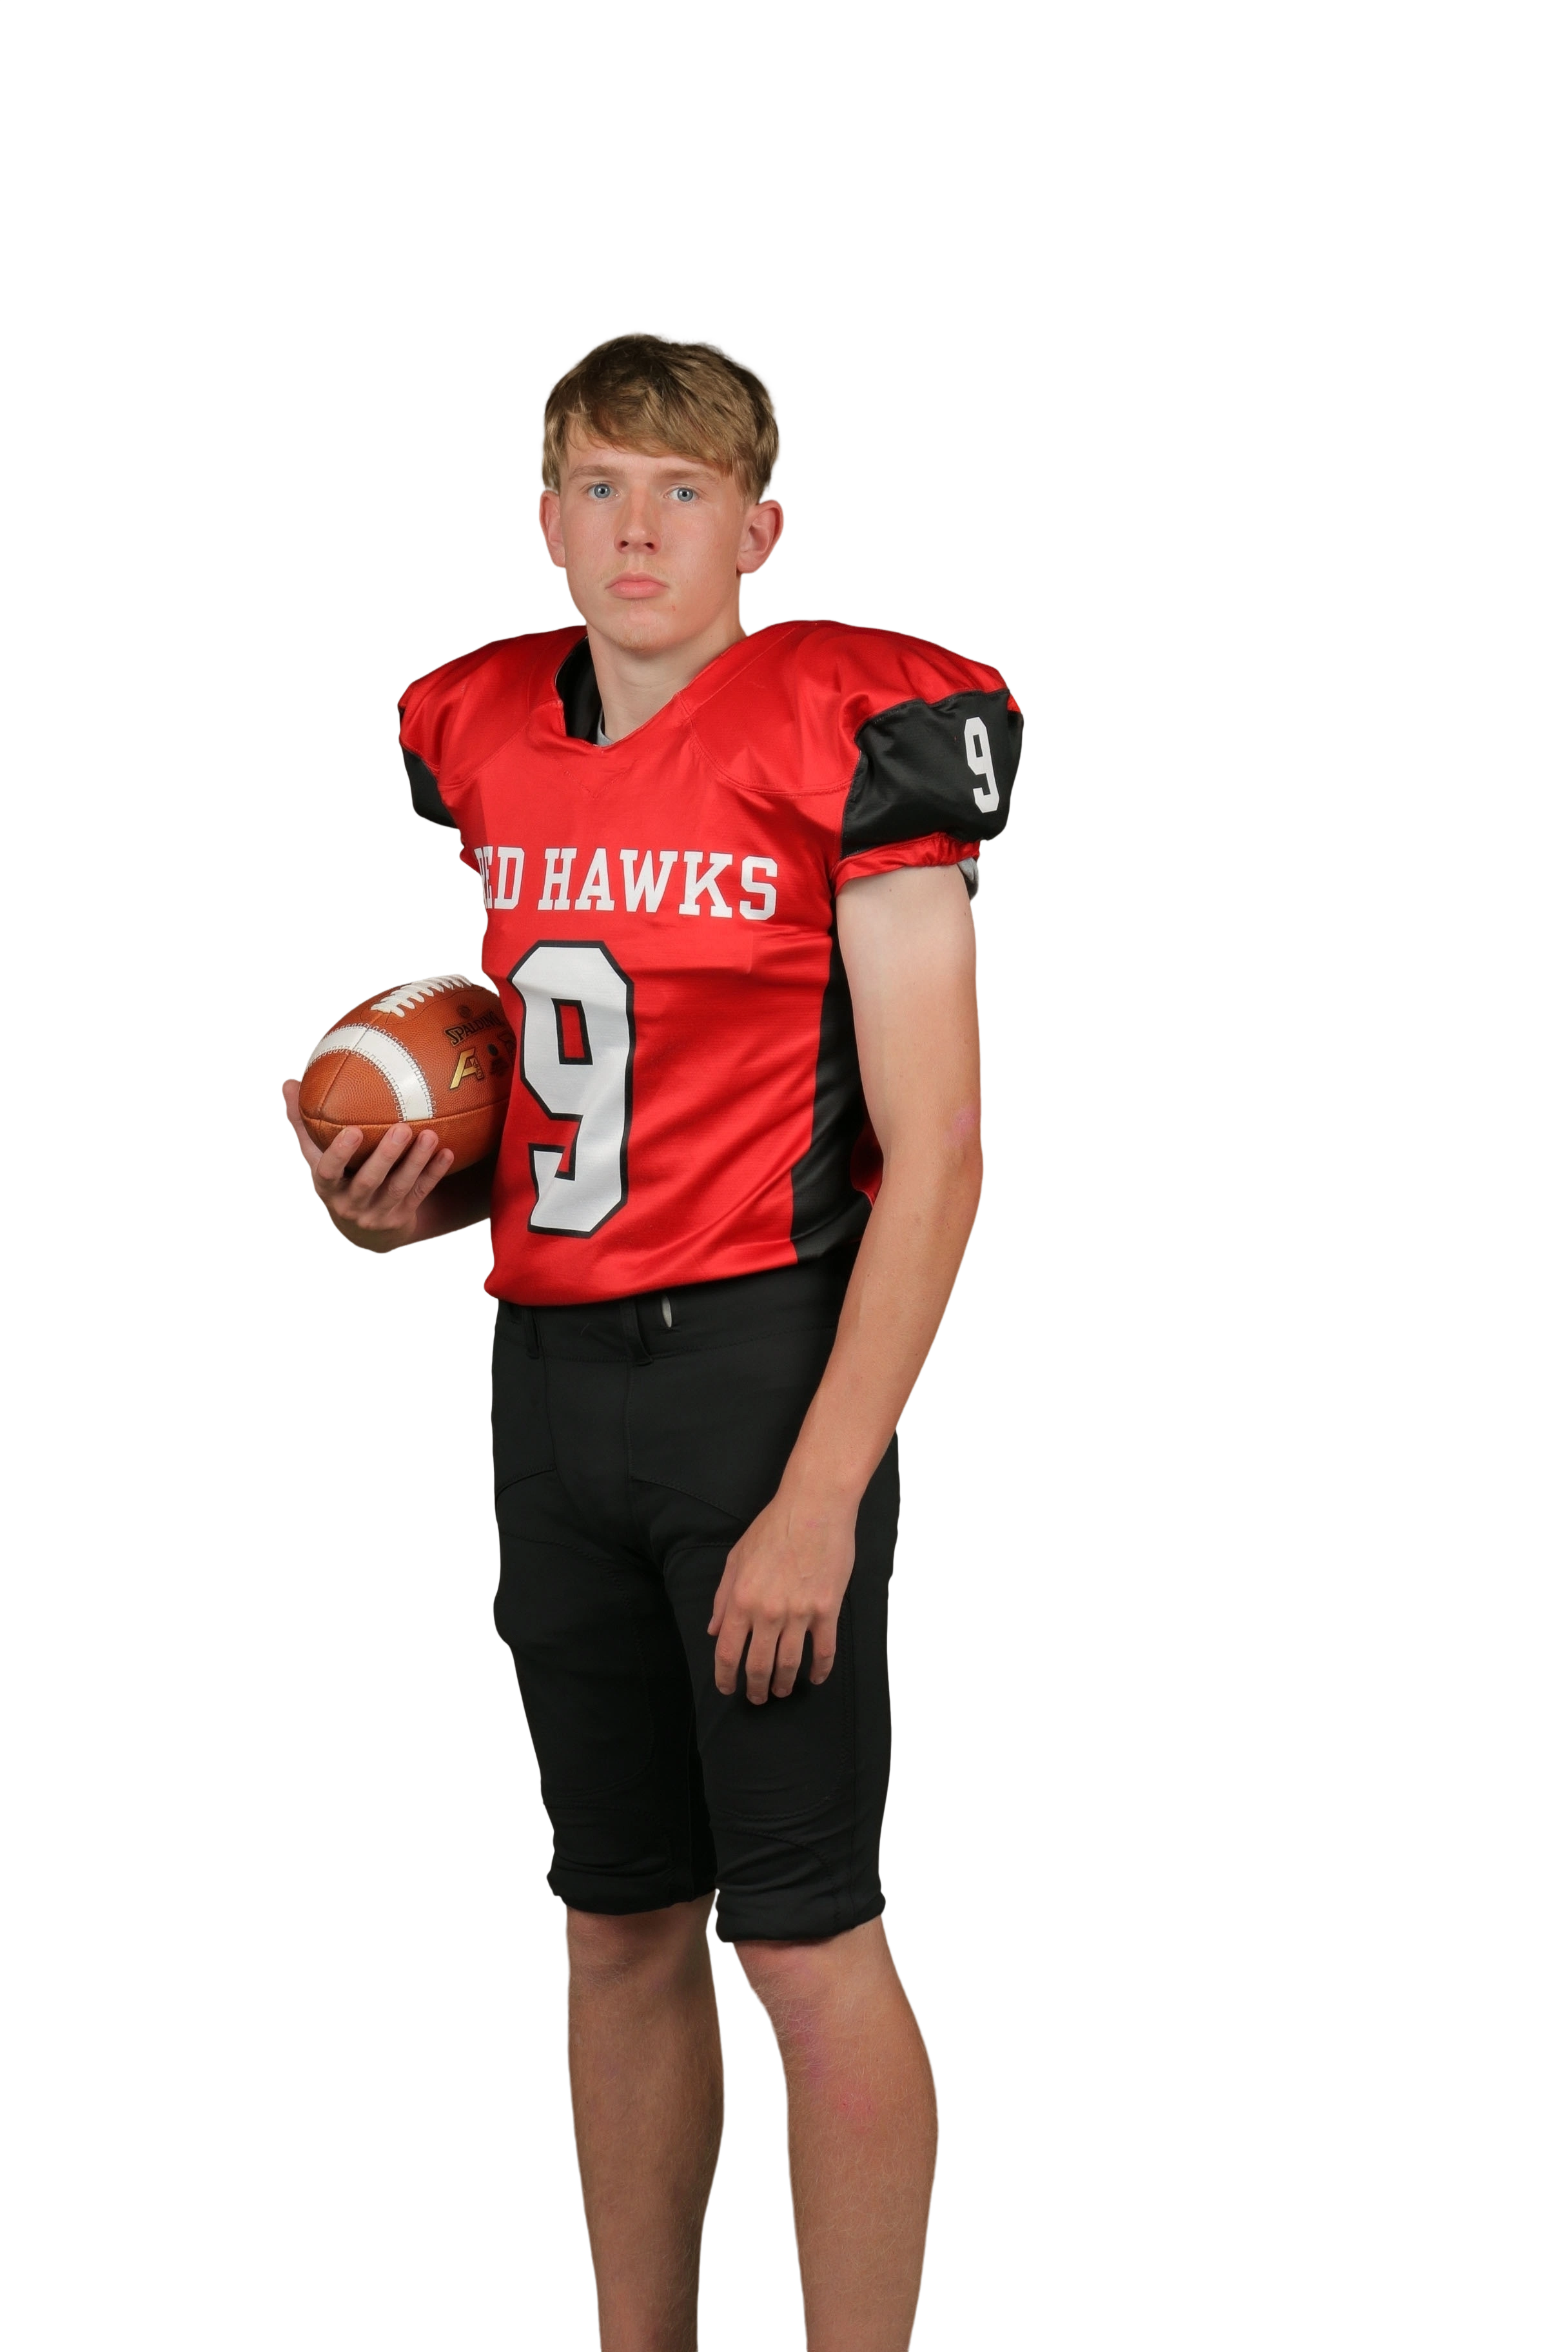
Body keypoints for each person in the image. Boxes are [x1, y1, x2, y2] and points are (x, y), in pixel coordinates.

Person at [279, 327, 1021, 2352]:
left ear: (759, 531)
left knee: (808, 1934)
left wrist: (820, 1498)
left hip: (760, 1381)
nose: (637, 527)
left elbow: (941, 1159)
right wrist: (403, 1200)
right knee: (616, 1922)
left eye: (684, 490)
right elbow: (580, 1124)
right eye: (600, 485)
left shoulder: (849, 733)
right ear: (545, 517)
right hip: (548, 1388)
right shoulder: (488, 732)